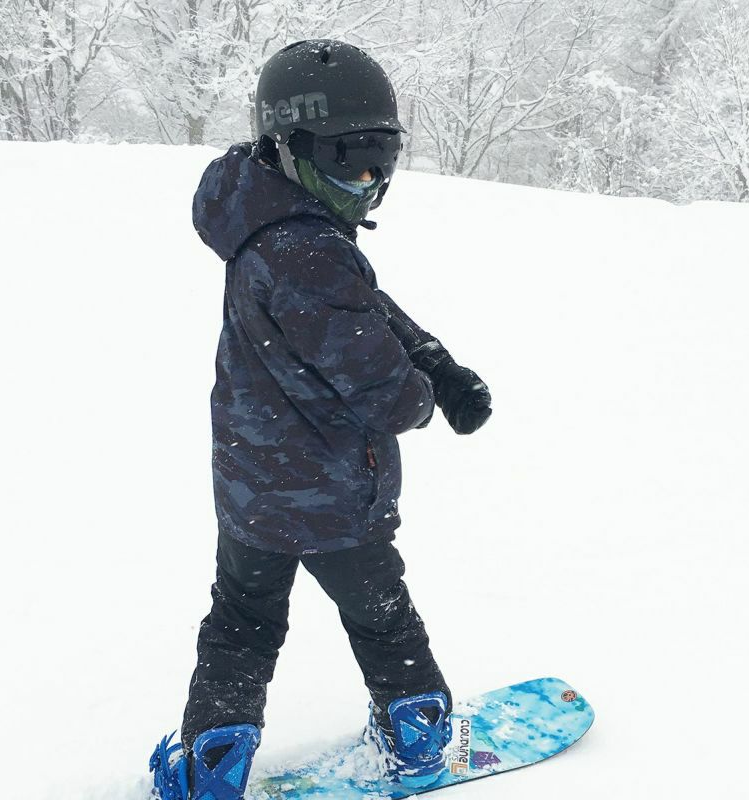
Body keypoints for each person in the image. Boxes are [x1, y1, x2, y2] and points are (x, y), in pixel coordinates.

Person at [149, 39, 492, 800]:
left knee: (241, 626)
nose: (369, 183)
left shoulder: (267, 217)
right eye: (350, 160)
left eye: (381, 160)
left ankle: (214, 761)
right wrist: (424, 395)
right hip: (337, 499)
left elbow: (360, 307)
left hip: (252, 490)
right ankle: (417, 732)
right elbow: (383, 391)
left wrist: (432, 356)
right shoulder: (310, 250)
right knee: (382, 618)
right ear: (290, 146)